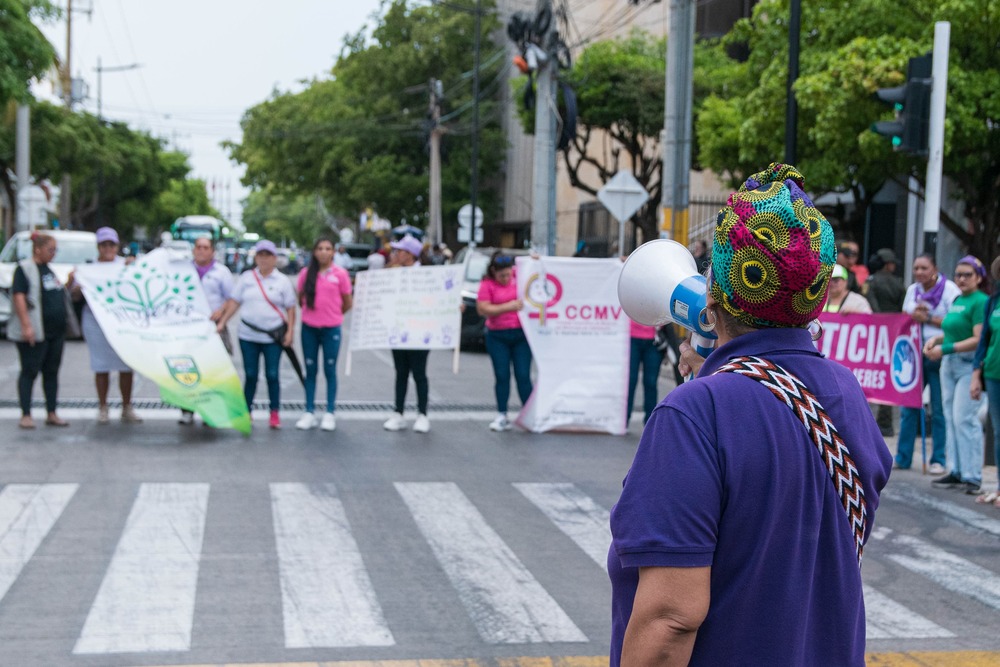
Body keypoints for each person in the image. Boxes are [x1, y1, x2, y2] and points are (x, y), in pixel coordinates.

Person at [609, 164, 892, 666]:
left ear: (713, 294)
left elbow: (670, 619)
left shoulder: (695, 414)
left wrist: (712, 383)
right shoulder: (845, 392)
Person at [925, 255, 989, 495]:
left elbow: (977, 339)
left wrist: (945, 348)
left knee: (965, 418)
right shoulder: (958, 299)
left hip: (967, 365)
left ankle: (972, 475)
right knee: (951, 416)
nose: (961, 279)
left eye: (967, 275)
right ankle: (957, 470)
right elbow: (953, 331)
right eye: (958, 274)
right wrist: (936, 339)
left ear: (979, 277)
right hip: (948, 363)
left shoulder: (981, 302)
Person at [218, 239, 297, 429]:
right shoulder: (247, 278)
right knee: (251, 375)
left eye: (268, 255)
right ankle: (247, 410)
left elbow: (290, 308)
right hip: (248, 336)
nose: (264, 259)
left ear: (274, 258)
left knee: (272, 374)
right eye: (260, 255)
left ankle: (274, 412)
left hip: (272, 337)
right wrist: (222, 322)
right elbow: (234, 302)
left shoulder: (282, 281)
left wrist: (291, 331)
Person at [895, 254, 962, 472]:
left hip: (939, 354)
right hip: (915, 355)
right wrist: (914, 315)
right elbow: (905, 316)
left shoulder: (950, 290)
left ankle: (938, 459)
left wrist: (929, 318)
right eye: (916, 268)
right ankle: (903, 457)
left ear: (934, 268)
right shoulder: (913, 290)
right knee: (909, 406)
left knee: (939, 408)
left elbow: (957, 323)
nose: (919, 272)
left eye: (924, 268)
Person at [78, 227, 143, 424]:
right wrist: (75, 281)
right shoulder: (88, 268)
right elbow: (74, 294)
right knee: (101, 366)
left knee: (126, 366)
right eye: (104, 244)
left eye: (111, 244)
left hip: (122, 322)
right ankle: (103, 406)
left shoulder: (125, 265)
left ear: (117, 246)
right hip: (96, 323)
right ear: (98, 247)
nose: (108, 248)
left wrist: (134, 266)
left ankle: (126, 406)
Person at [9, 232, 72, 429]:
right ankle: (26, 414)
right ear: (38, 249)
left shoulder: (48, 270)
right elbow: (19, 296)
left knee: (51, 372)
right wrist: (27, 326)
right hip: (36, 330)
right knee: (29, 371)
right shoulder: (25, 269)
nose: (54, 253)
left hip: (54, 332)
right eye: (50, 249)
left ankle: (51, 412)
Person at [295, 237, 353, 432]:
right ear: (314, 252)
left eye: (328, 248)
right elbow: (300, 298)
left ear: (333, 252)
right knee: (310, 370)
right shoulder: (305, 274)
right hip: (309, 328)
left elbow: (347, 301)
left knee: (330, 370)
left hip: (331, 329)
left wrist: (334, 315)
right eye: (320, 248)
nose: (324, 252)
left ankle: (329, 412)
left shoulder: (341, 274)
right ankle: (309, 411)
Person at [179, 237, 235, 425]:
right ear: (194, 250)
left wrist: (222, 312)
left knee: (212, 371)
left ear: (212, 251)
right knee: (188, 370)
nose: (202, 251)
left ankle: (209, 410)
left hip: (214, 328)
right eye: (199, 247)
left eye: (206, 248)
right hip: (189, 327)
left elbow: (231, 299)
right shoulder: (183, 270)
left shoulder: (222, 272)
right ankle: (187, 409)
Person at [476, 251, 532, 431]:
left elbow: (534, 270)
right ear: (493, 271)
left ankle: (529, 414)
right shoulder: (487, 284)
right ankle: (502, 414)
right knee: (502, 376)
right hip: (497, 336)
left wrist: (536, 260)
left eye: (508, 274)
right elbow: (482, 309)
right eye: (501, 275)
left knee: (523, 375)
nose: (506, 278)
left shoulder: (519, 274)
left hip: (520, 335)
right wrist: (508, 307)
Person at [382, 234, 431, 433]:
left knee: (419, 373)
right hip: (399, 329)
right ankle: (398, 413)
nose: (396, 254)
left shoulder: (427, 275)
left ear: (410, 254)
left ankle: (422, 414)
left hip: (420, 331)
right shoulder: (393, 272)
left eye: (399, 251)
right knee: (401, 372)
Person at [970, 255, 1000, 508]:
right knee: (999, 434)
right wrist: (975, 374)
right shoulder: (993, 302)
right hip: (993, 373)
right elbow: (984, 342)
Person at [626, 320, 664, 427]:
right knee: (630, 380)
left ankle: (650, 423)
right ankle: (624, 420)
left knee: (651, 382)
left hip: (654, 339)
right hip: (630, 336)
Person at [866, 248, 906, 313]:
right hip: (896, 321)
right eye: (893, 263)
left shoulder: (870, 281)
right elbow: (903, 305)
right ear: (887, 264)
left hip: (875, 321)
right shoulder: (898, 282)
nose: (894, 266)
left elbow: (871, 302)